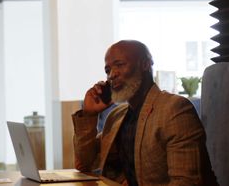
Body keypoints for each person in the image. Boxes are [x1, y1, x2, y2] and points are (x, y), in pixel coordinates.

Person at [72, 40, 218, 186]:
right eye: (107, 70)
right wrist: (88, 114)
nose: (111, 75)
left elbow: (186, 182)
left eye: (120, 65)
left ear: (145, 64)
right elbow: (84, 163)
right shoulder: (117, 116)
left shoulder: (174, 109)